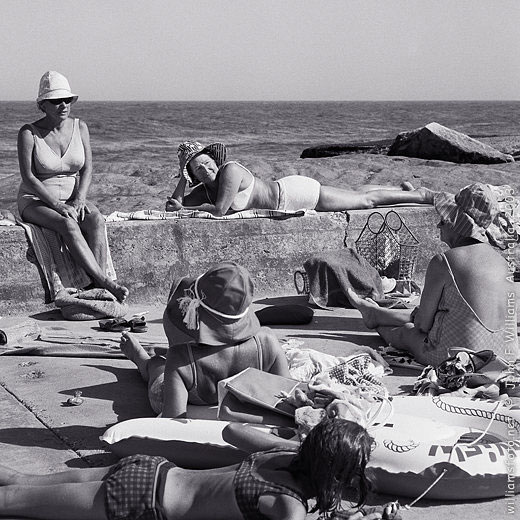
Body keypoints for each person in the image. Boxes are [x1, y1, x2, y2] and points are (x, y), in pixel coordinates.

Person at [0, 418, 393, 520]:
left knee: (20, 482)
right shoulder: (288, 506)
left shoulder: (279, 455)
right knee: (11, 501)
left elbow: (232, 430)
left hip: (150, 470)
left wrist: (302, 446)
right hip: (141, 501)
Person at [347, 183, 519, 366]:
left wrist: (416, 326)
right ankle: (377, 314)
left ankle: (375, 320)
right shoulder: (503, 263)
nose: (438, 225)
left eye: (444, 220)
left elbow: (422, 325)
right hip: (504, 355)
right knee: (444, 313)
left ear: (456, 225)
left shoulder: (444, 261)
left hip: (458, 357)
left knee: (408, 333)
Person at [120, 261, 291, 418]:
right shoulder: (268, 341)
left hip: (186, 401)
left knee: (158, 366)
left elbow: (173, 422)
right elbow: (289, 399)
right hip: (242, 407)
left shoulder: (180, 358)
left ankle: (142, 360)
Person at [17, 71, 128, 302]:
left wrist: (80, 199)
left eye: (67, 100)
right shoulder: (28, 133)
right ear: (43, 105)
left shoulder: (81, 127)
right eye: (56, 101)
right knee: (67, 223)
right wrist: (57, 205)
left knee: (96, 219)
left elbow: (87, 168)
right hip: (36, 201)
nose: (64, 105)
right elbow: (28, 177)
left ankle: (95, 287)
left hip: (72, 198)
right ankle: (104, 282)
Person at [165, 141, 434, 216]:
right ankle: (399, 189)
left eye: (207, 163)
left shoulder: (230, 171)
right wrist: (183, 177)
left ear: (215, 161)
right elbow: (173, 206)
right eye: (198, 169)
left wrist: (186, 204)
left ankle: (420, 196)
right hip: (288, 197)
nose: (206, 170)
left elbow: (221, 210)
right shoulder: (204, 191)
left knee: (364, 202)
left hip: (292, 195)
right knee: (353, 192)